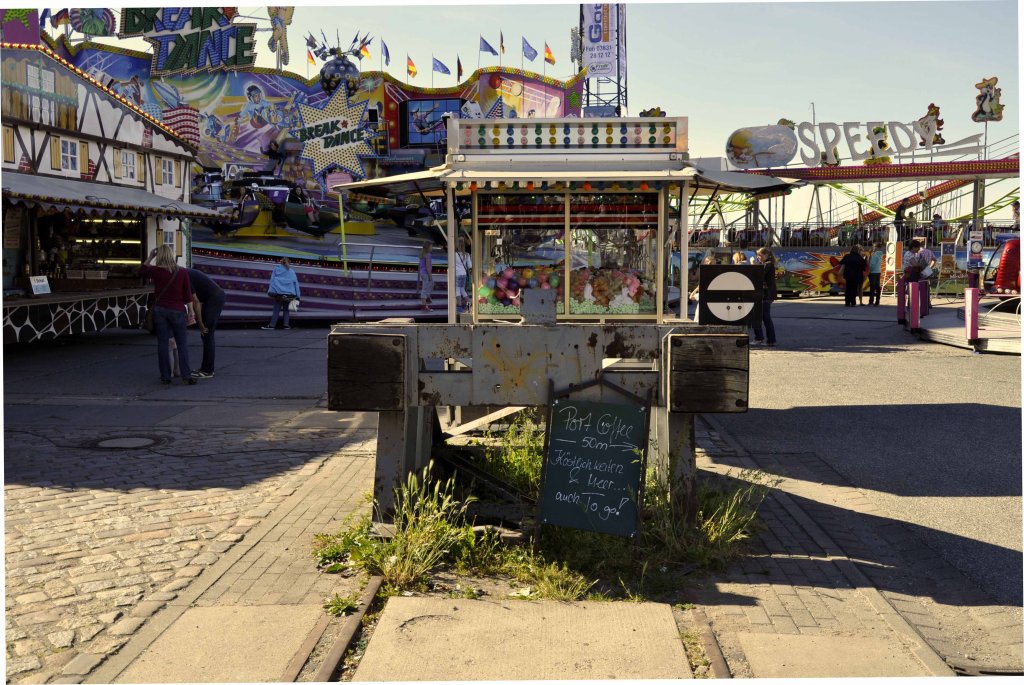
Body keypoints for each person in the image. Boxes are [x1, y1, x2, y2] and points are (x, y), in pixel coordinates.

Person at [139, 245, 196, 385]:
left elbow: (141, 271)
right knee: (182, 344)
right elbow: (187, 294)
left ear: (160, 256)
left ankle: (165, 376)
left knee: (163, 344)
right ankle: (186, 376)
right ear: (171, 255)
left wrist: (150, 256)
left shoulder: (156, 271)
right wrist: (191, 312)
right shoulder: (182, 272)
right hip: (177, 310)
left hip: (160, 310)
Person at [185, 268, 225, 378]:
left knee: (207, 334)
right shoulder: (186, 272)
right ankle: (206, 368)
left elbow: (195, 301)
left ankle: (208, 370)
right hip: (214, 298)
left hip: (214, 299)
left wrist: (200, 323)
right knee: (206, 335)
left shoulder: (184, 275)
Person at [262, 257, 301, 330]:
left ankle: (272, 325)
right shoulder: (291, 271)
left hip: (279, 293)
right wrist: (298, 296)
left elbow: (272, 281)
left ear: (281, 262)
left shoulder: (276, 269)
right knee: (286, 310)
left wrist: (271, 292)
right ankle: (286, 325)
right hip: (289, 294)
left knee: (276, 310)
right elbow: (296, 284)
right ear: (289, 262)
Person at [751, 247, 777, 347]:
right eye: (757, 255)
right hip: (765, 294)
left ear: (766, 255)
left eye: (760, 255)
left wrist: (753, 264)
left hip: (765, 294)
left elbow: (759, 274)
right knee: (763, 317)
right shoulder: (767, 264)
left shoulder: (768, 264)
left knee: (761, 317)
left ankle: (762, 338)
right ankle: (768, 339)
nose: (758, 257)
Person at [454, 238, 472, 312]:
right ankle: (470, 302)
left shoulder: (454, 254)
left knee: (457, 290)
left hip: (457, 274)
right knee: (462, 290)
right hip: (464, 274)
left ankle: (459, 306)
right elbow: (470, 266)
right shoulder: (467, 254)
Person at [867, 241, 884, 306]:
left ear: (876, 247)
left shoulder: (875, 255)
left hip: (872, 272)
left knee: (872, 287)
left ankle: (871, 301)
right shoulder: (880, 254)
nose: (872, 247)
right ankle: (877, 301)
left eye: (873, 246)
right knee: (877, 287)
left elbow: (872, 264)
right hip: (878, 271)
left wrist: (868, 269)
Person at [417, 242, 434, 311]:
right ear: (428, 248)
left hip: (422, 273)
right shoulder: (428, 255)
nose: (432, 248)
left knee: (430, 284)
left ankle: (427, 297)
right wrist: (430, 275)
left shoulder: (422, 254)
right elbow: (428, 266)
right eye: (431, 246)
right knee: (425, 288)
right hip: (426, 273)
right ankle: (424, 305)